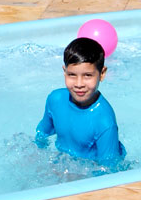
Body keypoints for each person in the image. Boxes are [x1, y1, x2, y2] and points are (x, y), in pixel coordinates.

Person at [35, 37, 124, 166]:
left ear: (102, 74)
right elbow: (42, 134)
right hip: (62, 163)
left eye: (87, 75)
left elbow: (109, 168)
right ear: (64, 72)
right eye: (72, 75)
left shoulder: (104, 122)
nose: (79, 84)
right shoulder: (55, 99)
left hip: (88, 169)